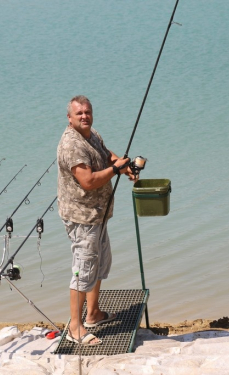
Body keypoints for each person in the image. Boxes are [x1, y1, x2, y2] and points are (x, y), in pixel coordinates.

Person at [57, 95, 137, 346]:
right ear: (69, 118)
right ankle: (75, 327)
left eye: (87, 112)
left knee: (100, 263)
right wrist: (115, 170)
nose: (84, 116)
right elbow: (88, 181)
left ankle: (92, 315)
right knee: (83, 269)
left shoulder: (91, 135)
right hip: (83, 218)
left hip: (98, 215)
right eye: (79, 113)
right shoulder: (72, 145)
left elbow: (106, 154)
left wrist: (121, 165)